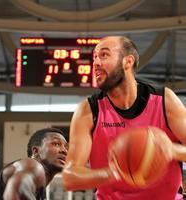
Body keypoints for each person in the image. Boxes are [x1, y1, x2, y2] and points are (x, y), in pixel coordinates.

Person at [62, 35, 186, 200]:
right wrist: (114, 172)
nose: (96, 63)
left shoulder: (165, 100)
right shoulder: (88, 110)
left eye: (104, 55)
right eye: (95, 58)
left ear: (127, 61)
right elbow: (70, 177)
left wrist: (171, 150)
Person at [0, 127, 68, 200]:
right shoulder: (33, 165)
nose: (64, 150)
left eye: (66, 147)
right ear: (36, 151)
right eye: (56, 144)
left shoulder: (39, 191)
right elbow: (17, 188)